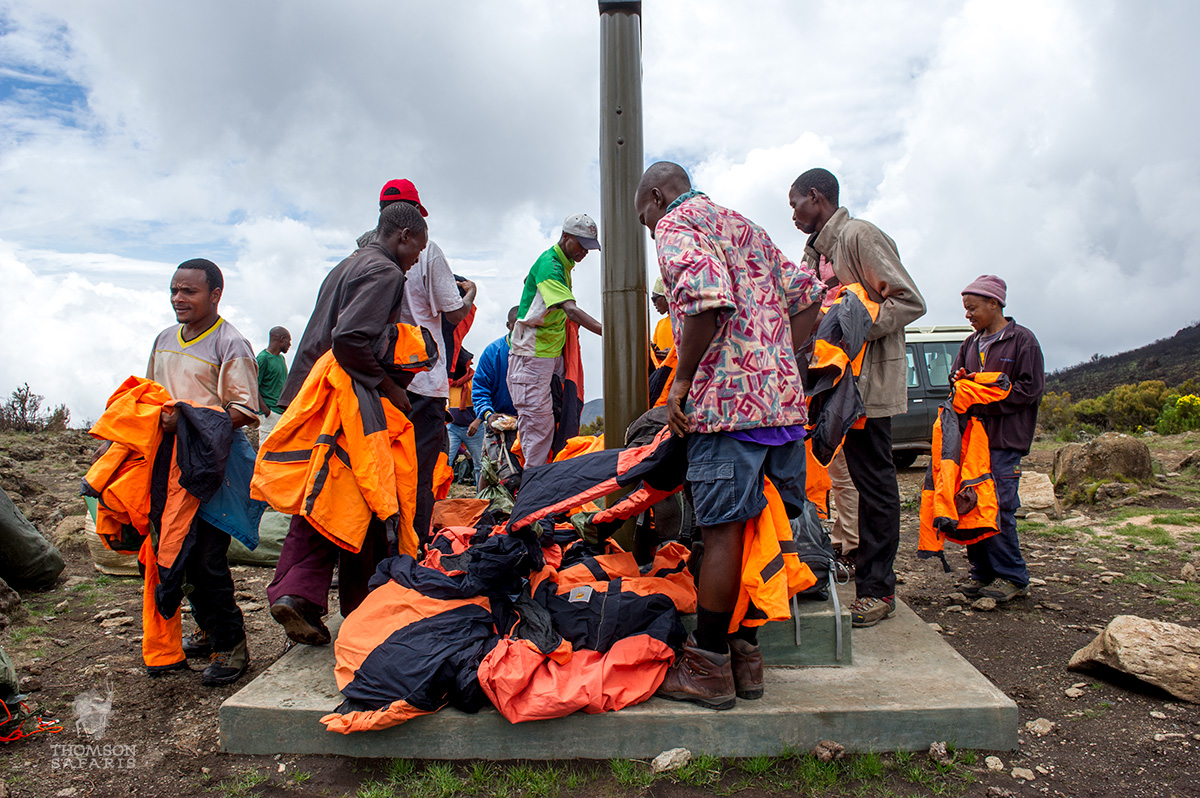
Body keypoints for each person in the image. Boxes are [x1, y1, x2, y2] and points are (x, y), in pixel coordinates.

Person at [636, 162, 823, 709]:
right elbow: (808, 296)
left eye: (643, 217)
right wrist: (778, 357)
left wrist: (686, 379)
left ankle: (709, 665)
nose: (648, 229)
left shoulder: (678, 224)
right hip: (782, 409)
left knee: (719, 534)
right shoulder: (746, 226)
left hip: (726, 410)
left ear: (655, 197)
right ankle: (747, 656)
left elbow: (702, 301)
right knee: (761, 531)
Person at [266, 202, 428, 646]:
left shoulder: (347, 264)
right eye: (418, 250)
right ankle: (363, 610)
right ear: (404, 237)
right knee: (366, 498)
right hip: (347, 396)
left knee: (324, 492)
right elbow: (351, 338)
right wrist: (390, 388)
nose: (415, 261)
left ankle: (298, 594)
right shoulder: (385, 272)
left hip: (312, 393)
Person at [790, 168, 927, 628]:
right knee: (845, 482)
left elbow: (909, 301)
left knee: (876, 485)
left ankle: (877, 590)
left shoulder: (860, 236)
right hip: (834, 386)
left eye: (795, 204)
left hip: (865, 388)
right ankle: (856, 567)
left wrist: (854, 323)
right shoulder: (815, 254)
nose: (793, 214)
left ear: (816, 197)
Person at [147, 258, 261, 685]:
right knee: (175, 551)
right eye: (175, 290)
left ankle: (232, 644)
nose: (179, 298)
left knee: (207, 557)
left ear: (215, 294)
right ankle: (209, 628)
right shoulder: (163, 340)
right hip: (170, 466)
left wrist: (190, 422)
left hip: (213, 470)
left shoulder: (230, 344)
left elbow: (243, 411)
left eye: (189, 291)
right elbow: (151, 395)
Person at [360, 178, 477, 545]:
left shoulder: (362, 250)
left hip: (375, 378)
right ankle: (414, 549)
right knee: (420, 472)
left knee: (373, 470)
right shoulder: (427, 252)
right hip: (421, 380)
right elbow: (454, 314)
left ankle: (370, 553)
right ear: (413, 221)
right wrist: (471, 292)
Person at [952, 275, 1044, 602]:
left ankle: (1012, 577)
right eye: (966, 309)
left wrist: (983, 399)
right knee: (972, 504)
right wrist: (962, 382)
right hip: (972, 441)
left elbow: (1028, 390)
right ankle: (983, 573)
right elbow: (959, 382)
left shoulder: (1023, 342)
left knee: (1000, 507)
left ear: (994, 303)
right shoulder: (970, 344)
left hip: (1004, 441)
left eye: (972, 308)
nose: (968, 315)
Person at [508, 214, 603, 468]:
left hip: (548, 358)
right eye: (581, 244)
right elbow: (571, 310)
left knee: (557, 420)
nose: (584, 251)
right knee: (539, 434)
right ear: (565, 237)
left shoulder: (562, 265)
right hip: (532, 359)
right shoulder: (550, 265)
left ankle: (545, 490)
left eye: (589, 247)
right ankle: (532, 499)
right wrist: (611, 332)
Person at [472, 306, 519, 427]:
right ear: (508, 325)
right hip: (498, 424)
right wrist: (488, 415)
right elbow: (480, 389)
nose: (522, 330)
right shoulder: (493, 352)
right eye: (517, 326)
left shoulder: (540, 353)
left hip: (530, 424)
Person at [446, 347, 484, 491]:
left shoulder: (475, 379)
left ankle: (481, 496)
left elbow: (483, 400)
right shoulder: (449, 381)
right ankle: (439, 497)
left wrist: (478, 420)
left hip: (473, 429)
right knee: (445, 461)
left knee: (479, 464)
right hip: (453, 427)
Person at [256, 326, 291, 438]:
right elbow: (253, 386)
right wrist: (266, 410)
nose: (289, 345)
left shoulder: (281, 359)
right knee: (266, 448)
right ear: (281, 339)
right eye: (288, 341)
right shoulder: (263, 359)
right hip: (270, 413)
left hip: (282, 412)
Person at [650, 278, 673, 367]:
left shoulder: (684, 320)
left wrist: (673, 355)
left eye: (654, 299)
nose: (654, 304)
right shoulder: (660, 324)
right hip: (664, 377)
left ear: (665, 297)